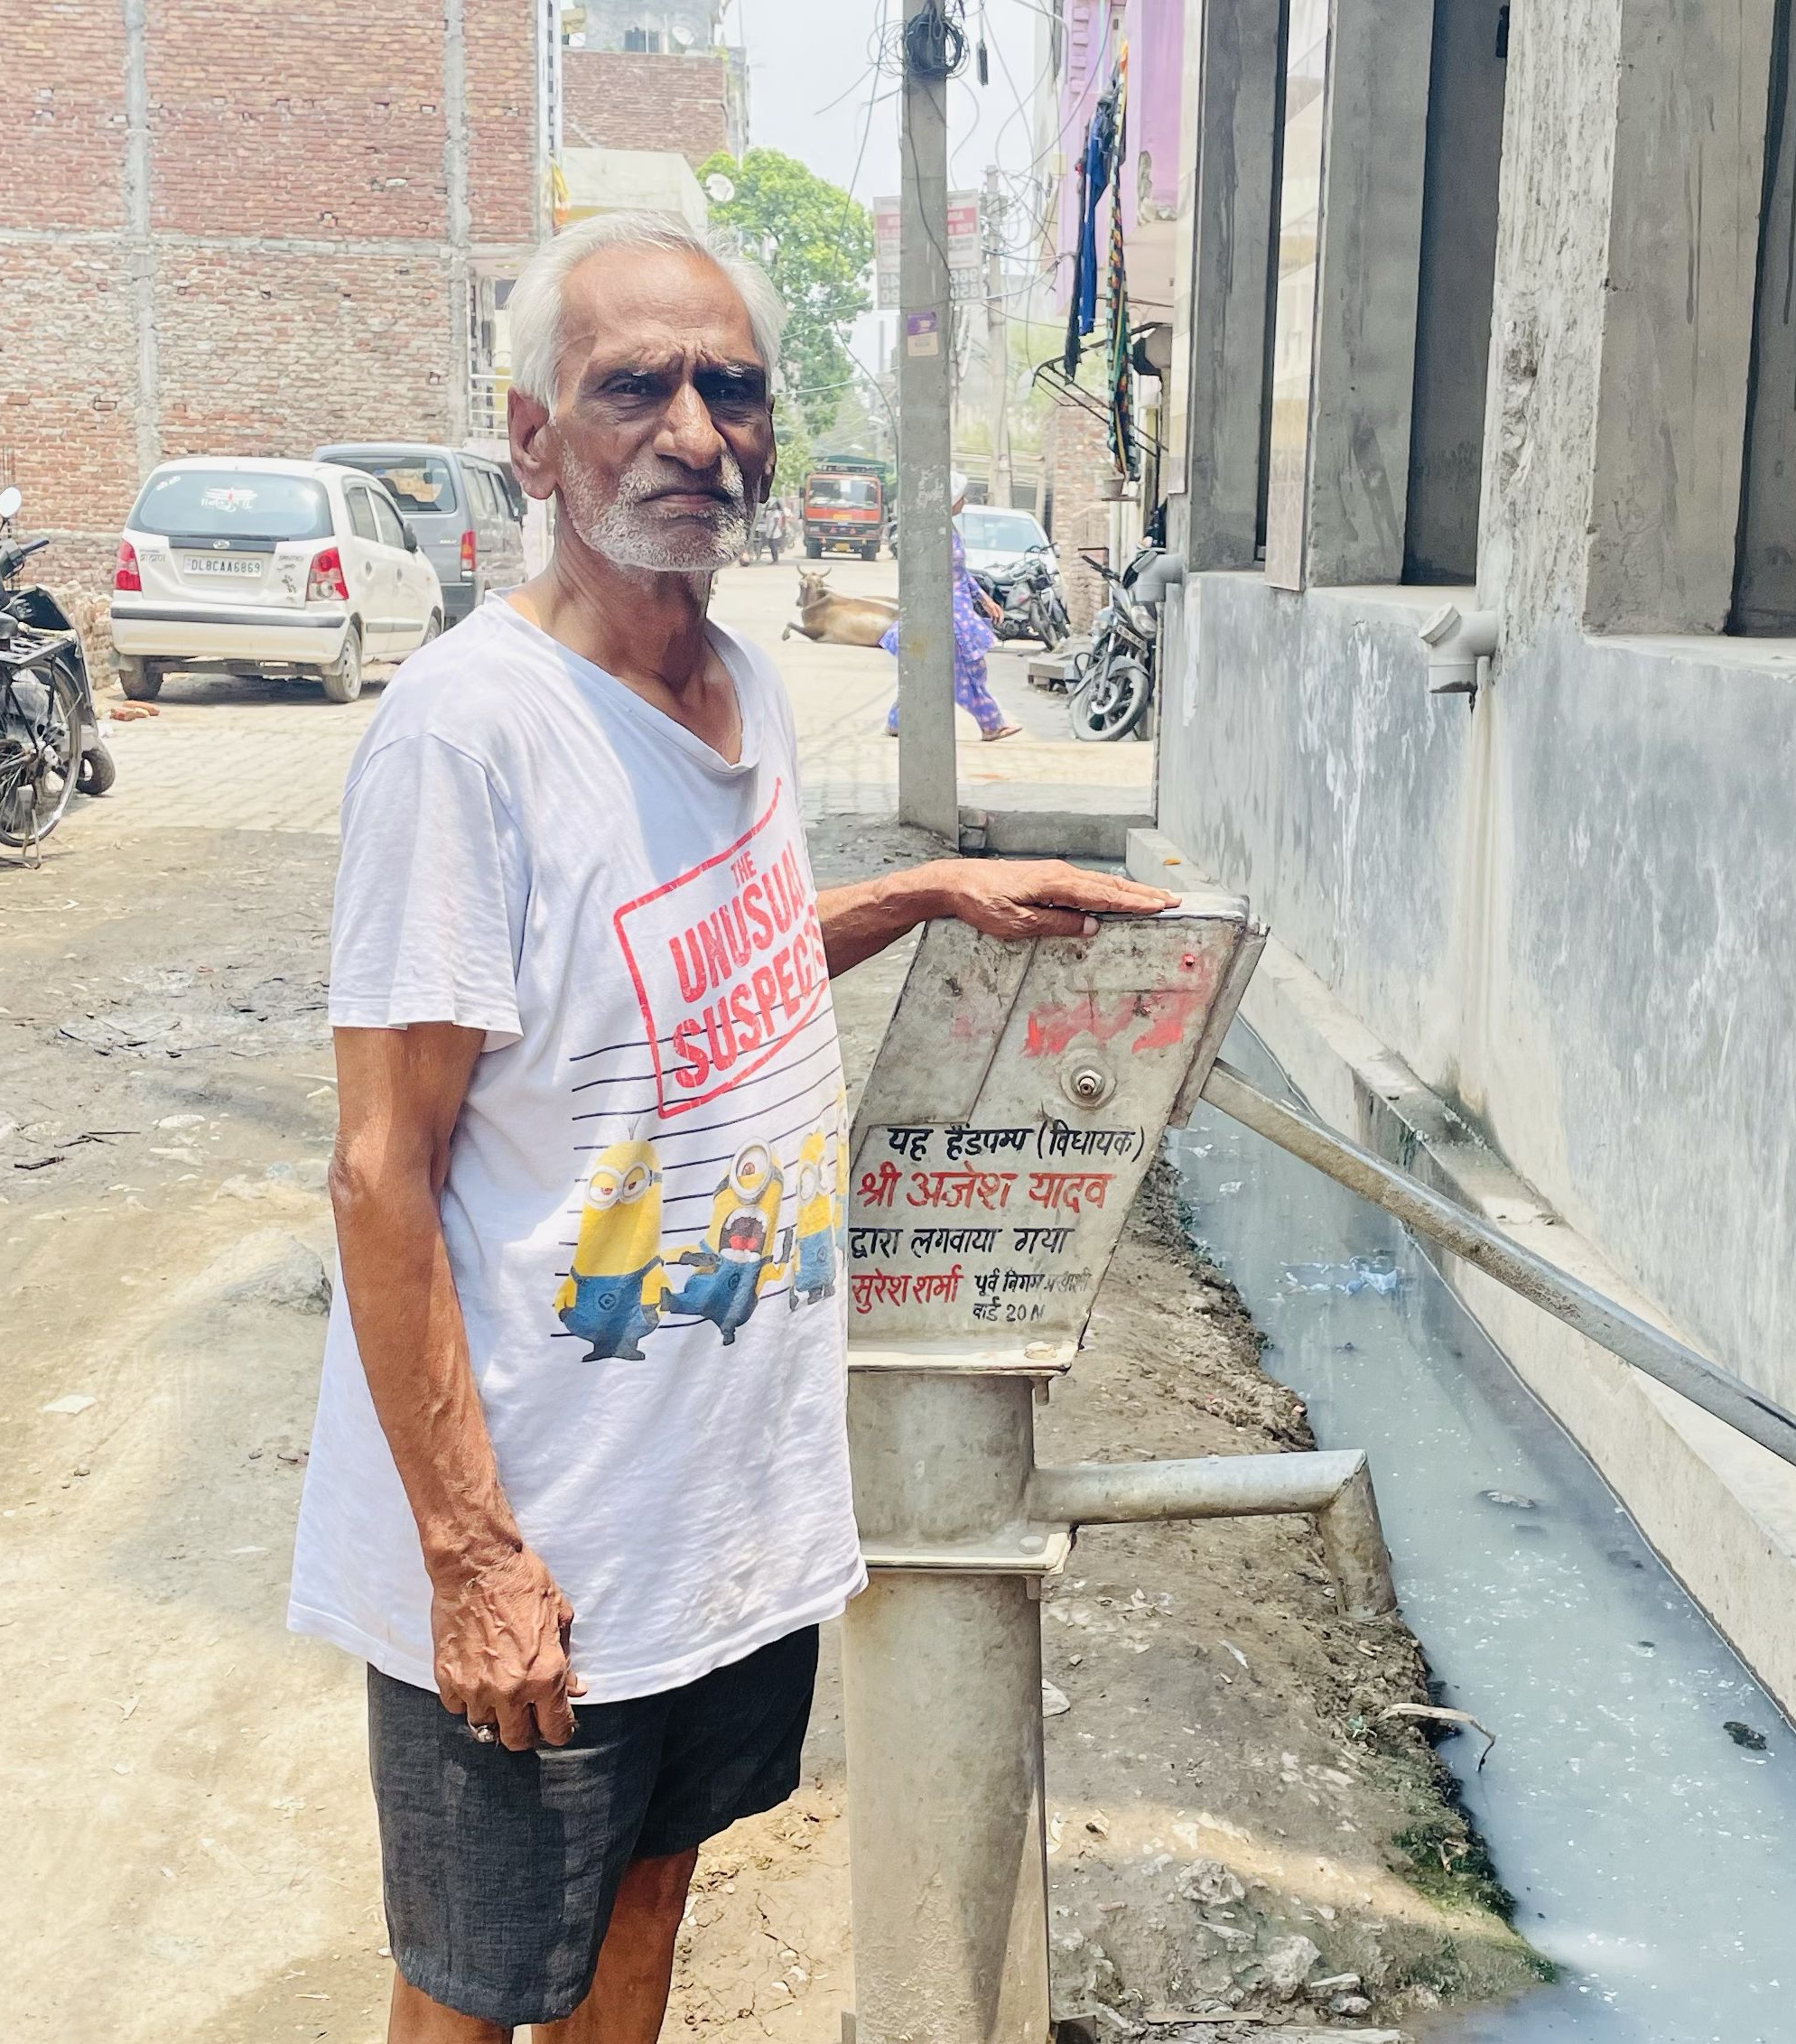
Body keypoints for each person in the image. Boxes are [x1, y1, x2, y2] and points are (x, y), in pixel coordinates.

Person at [287, 209, 1169, 2044]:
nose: (695, 428)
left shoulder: (737, 683)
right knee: (469, 1977)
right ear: (533, 437)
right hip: (544, 1517)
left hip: (721, 1500)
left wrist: (920, 889)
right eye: (635, 386)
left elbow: (707, 974)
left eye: (732, 388)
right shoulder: (470, 733)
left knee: (654, 1887)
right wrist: (471, 1558)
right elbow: (384, 1165)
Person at [878, 523, 1022, 740]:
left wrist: (984, 598)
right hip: (947, 612)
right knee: (967, 669)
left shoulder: (947, 528)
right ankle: (991, 723)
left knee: (925, 671)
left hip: (953, 610)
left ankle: (896, 722)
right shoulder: (933, 528)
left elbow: (960, 573)